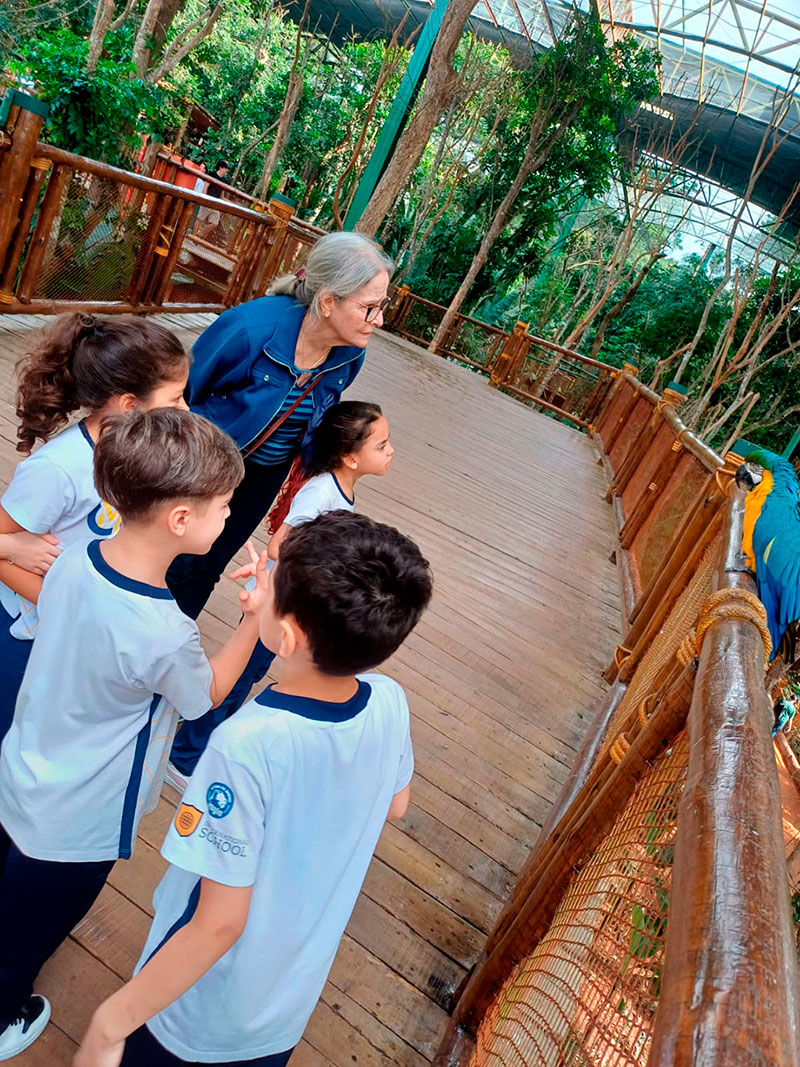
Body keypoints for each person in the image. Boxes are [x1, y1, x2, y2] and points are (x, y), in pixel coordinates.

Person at [76, 510, 433, 1067]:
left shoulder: (245, 745)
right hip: (285, 1002)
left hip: (200, 1009)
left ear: (286, 636)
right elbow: (396, 803)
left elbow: (218, 924)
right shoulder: (389, 700)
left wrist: (110, 1023)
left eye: (275, 582)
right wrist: (265, 611)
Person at [0, 409, 272, 1062]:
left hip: (26, 768)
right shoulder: (164, 631)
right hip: (80, 814)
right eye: (225, 505)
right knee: (35, 926)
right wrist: (253, 623)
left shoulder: (78, 558)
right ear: (180, 519)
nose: (230, 515)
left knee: (12, 887)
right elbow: (205, 694)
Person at [165, 231, 394, 785]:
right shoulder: (250, 329)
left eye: (383, 306)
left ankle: (164, 659)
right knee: (167, 553)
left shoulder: (348, 355)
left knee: (205, 565)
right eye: (370, 307)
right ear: (328, 301)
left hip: (260, 477)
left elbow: (318, 413)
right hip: (199, 466)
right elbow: (181, 395)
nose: (378, 320)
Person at [0, 314, 190, 742]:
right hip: (26, 632)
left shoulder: (137, 454)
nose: (185, 410)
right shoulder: (60, 468)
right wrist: (14, 552)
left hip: (74, 629)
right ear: (129, 405)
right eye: (176, 398)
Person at [266, 400, 393, 560]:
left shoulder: (340, 488)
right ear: (350, 459)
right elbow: (276, 548)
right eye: (381, 446)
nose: (391, 450)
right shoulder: (320, 494)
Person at [195, 160, 230, 241]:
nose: (227, 170)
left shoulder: (224, 181)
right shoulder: (212, 175)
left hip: (215, 204)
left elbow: (222, 196)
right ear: (221, 168)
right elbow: (205, 187)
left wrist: (230, 203)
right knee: (200, 218)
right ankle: (194, 236)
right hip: (207, 200)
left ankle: (200, 234)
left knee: (215, 223)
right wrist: (204, 198)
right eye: (226, 168)